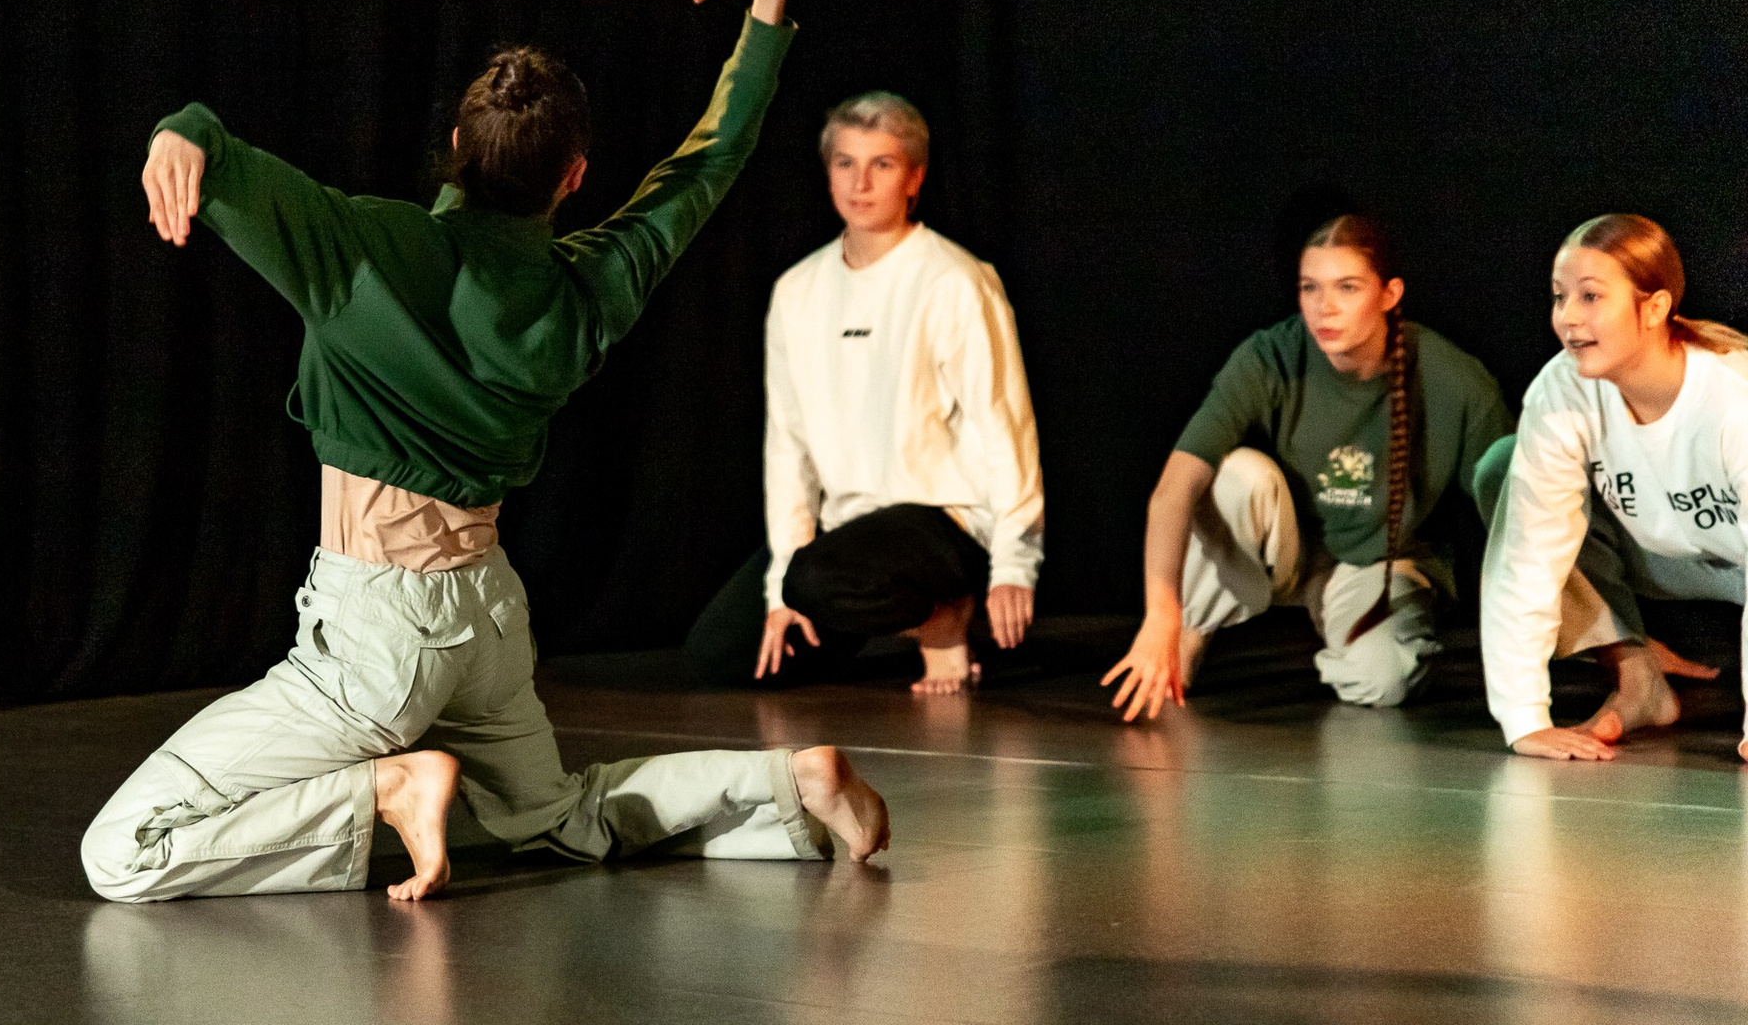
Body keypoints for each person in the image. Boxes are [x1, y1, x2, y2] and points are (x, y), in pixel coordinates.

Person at [81, 0, 890, 904]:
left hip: (377, 632)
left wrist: (183, 128)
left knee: (124, 850)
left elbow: (217, 155)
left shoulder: (364, 251)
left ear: (458, 148)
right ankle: (789, 783)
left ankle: (386, 788)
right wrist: (768, 9)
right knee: (560, 817)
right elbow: (703, 169)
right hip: (488, 617)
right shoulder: (590, 286)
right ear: (575, 175)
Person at [683, 92, 1044, 695]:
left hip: (944, 523)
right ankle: (889, 616)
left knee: (817, 581)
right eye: (846, 163)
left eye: (882, 164)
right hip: (846, 540)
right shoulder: (798, 289)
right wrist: (779, 587)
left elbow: (1004, 428)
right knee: (721, 655)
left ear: (914, 178)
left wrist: (1013, 564)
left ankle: (944, 616)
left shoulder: (954, 280)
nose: (861, 182)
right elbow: (788, 446)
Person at [1102, 214, 1512, 719]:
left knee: (1383, 678)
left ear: (1389, 294)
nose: (1325, 307)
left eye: (1347, 287)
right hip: (1287, 550)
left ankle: (1345, 637)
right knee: (1237, 477)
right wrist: (1161, 614)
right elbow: (1174, 488)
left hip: (1376, 563)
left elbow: (1519, 511)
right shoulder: (1270, 356)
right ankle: (1192, 630)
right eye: (1310, 287)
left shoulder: (1455, 379)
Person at [1477, 213, 1746, 762]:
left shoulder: (1732, 396)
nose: (1568, 317)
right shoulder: (1563, 389)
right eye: (1560, 297)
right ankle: (1638, 678)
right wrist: (1524, 717)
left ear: (1655, 307)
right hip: (1663, 557)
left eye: (1591, 296)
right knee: (1504, 468)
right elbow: (1528, 556)